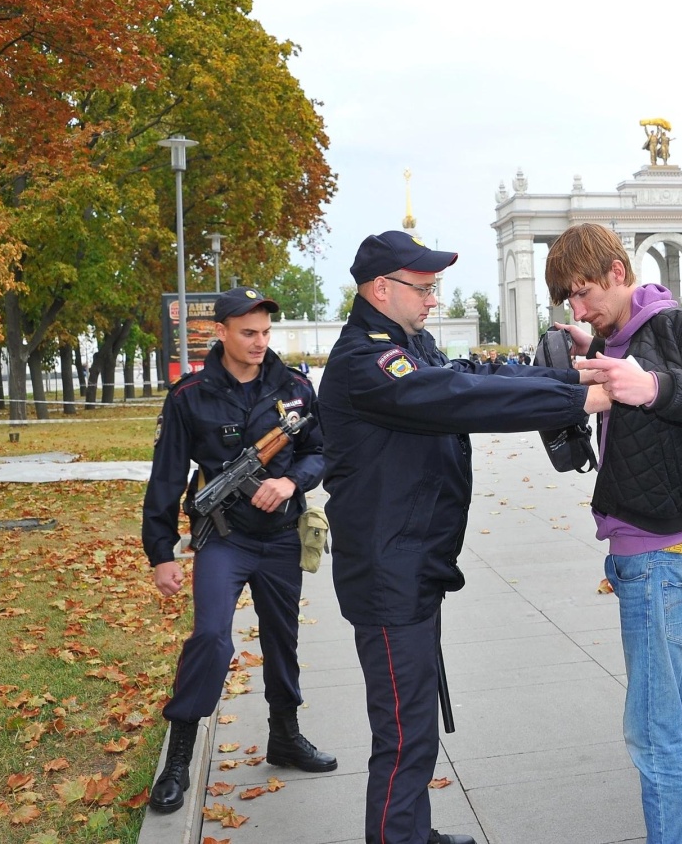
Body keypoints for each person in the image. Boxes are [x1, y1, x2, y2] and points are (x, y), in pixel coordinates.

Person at [319, 230, 611, 844]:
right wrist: (579, 398)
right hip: (388, 571)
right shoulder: (364, 362)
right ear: (380, 289)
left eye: (434, 287)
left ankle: (414, 835)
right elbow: (458, 397)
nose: (431, 300)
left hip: (413, 563)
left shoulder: (411, 345)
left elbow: (476, 375)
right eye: (422, 288)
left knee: (415, 723)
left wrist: (566, 378)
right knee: (401, 734)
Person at [545, 223, 682, 844]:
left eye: (584, 294)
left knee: (653, 728)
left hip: (657, 553)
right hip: (662, 549)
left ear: (617, 272)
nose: (579, 310)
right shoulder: (624, 334)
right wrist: (595, 346)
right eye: (569, 302)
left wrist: (652, 387)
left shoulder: (674, 325)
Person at [141, 286, 334, 814]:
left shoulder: (294, 388)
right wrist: (161, 553)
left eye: (265, 332)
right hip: (224, 538)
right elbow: (165, 479)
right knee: (209, 637)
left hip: (279, 538)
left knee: (282, 640)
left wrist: (291, 482)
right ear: (220, 332)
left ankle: (286, 737)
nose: (258, 341)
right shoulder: (189, 396)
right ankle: (178, 756)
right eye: (248, 332)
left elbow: (322, 453)